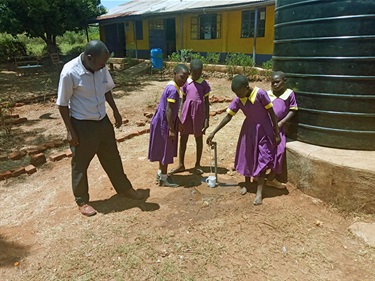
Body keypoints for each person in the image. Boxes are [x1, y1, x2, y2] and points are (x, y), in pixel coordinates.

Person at [56, 40, 143, 217]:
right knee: (80, 164)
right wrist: (70, 130)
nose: (104, 66)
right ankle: (82, 201)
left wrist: (115, 111)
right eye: (101, 63)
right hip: (82, 125)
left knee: (113, 157)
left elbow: (106, 89)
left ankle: (124, 188)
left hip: (102, 122)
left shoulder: (100, 67)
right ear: (89, 58)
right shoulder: (69, 72)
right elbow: (62, 104)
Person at [206, 74, 280, 205]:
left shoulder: (260, 94)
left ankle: (259, 192)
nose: (238, 96)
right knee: (247, 156)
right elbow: (228, 117)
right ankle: (247, 184)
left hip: (264, 130)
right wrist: (214, 132)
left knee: (262, 158)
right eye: (236, 94)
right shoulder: (239, 100)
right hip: (249, 130)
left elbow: (271, 113)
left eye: (240, 93)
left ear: (247, 88)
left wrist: (276, 132)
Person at [148, 64, 189, 187]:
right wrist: (171, 129)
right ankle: (164, 179)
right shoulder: (173, 90)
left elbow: (172, 110)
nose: (184, 81)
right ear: (174, 74)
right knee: (166, 150)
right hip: (165, 123)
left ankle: (161, 173)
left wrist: (179, 122)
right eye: (182, 77)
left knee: (162, 149)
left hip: (164, 121)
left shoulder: (172, 86)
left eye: (186, 78)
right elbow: (169, 110)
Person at [171, 59, 211, 175]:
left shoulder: (204, 84)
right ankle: (181, 164)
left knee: (198, 139)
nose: (196, 75)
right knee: (183, 138)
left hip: (199, 115)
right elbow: (182, 100)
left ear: (201, 72)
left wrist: (207, 119)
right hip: (186, 113)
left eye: (199, 73)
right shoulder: (186, 83)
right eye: (194, 73)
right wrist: (180, 115)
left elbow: (207, 103)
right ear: (190, 71)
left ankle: (197, 164)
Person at [266, 71, 298, 188]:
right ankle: (259, 175)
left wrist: (282, 122)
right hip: (267, 128)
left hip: (279, 129)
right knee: (264, 152)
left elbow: (293, 109)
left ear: (284, 81)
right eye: (272, 83)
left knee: (279, 151)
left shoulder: (289, 94)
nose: (274, 85)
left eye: (277, 82)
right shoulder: (267, 94)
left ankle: (271, 178)